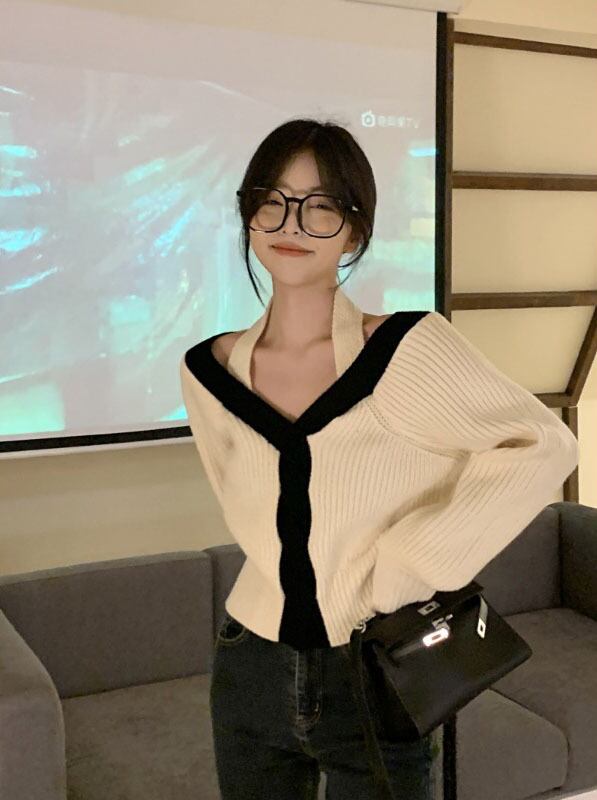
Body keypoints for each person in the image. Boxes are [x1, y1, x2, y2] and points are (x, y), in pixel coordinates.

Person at [179, 118, 579, 800]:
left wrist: (410, 562)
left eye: (321, 206)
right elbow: (243, 508)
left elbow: (543, 445)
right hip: (250, 663)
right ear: (249, 215)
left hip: (375, 665)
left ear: (355, 232)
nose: (291, 223)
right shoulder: (206, 371)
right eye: (271, 201)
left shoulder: (406, 347)